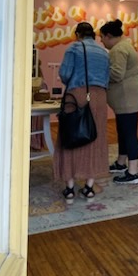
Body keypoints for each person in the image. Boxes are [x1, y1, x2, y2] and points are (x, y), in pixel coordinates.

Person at [54, 21, 110, 201]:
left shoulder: (74, 48)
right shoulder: (104, 52)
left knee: (71, 136)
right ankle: (89, 187)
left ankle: (70, 188)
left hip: (78, 94)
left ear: (77, 34)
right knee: (94, 137)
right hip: (100, 97)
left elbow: (65, 74)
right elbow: (107, 77)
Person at [99, 19, 138, 185]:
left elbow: (117, 74)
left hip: (127, 98)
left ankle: (132, 172)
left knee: (129, 133)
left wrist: (100, 72)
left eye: (102, 37)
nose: (101, 41)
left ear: (109, 36)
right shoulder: (124, 46)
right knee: (124, 131)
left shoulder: (118, 50)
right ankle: (121, 163)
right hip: (127, 97)